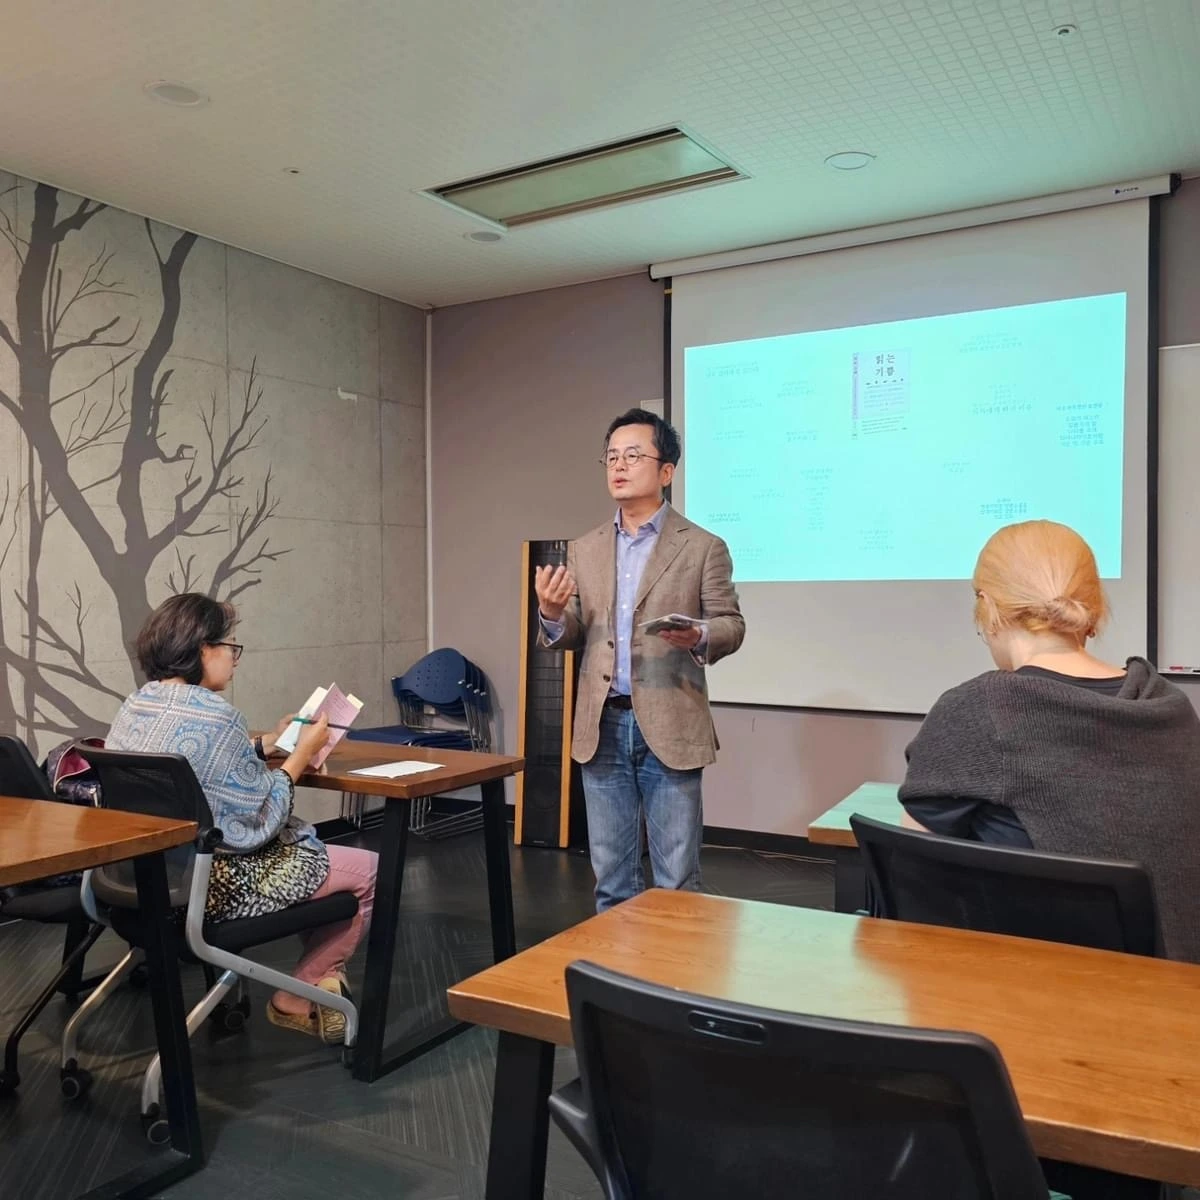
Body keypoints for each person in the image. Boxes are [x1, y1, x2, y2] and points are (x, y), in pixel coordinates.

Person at [899, 519, 1200, 963]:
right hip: (1177, 983)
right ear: (1092, 608)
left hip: (1034, 984)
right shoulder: (1169, 706)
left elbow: (910, 870)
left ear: (988, 608)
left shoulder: (980, 709)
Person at [106, 593, 378, 1042]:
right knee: (369, 871)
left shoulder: (138, 703)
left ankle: (320, 983)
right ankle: (302, 990)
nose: (235, 658)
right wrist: (301, 755)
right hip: (210, 888)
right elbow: (260, 822)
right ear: (202, 649)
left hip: (140, 879)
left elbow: (190, 770)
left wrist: (267, 744)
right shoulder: (220, 716)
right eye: (230, 646)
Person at [535, 408, 745, 912]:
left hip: (670, 724)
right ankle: (618, 965)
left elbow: (731, 624)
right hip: (602, 727)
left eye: (633, 455)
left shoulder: (702, 547)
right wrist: (552, 614)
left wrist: (698, 634)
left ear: (666, 471)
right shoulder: (584, 548)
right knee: (611, 879)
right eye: (611, 456)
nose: (619, 466)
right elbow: (576, 633)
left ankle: (675, 964)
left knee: (677, 881)